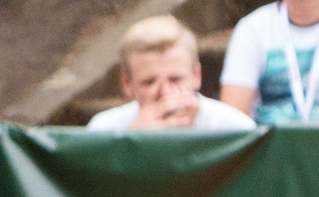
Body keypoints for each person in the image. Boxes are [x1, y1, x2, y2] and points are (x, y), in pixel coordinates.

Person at [86, 16, 255, 131]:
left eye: (175, 79)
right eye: (149, 82)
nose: (165, 93)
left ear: (196, 76)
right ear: (127, 85)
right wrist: (132, 142)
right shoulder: (104, 131)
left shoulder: (233, 128)